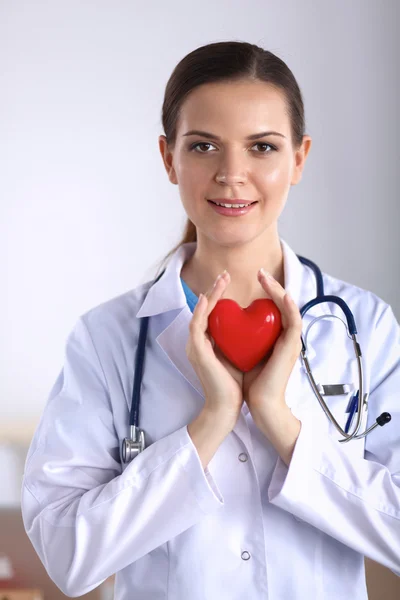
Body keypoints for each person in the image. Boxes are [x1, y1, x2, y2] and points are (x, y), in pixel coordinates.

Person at [21, 41, 400, 599]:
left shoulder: (365, 326)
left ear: (299, 158)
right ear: (168, 157)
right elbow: (69, 558)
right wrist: (211, 422)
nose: (232, 174)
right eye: (203, 146)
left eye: (263, 147)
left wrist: (280, 423)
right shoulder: (107, 338)